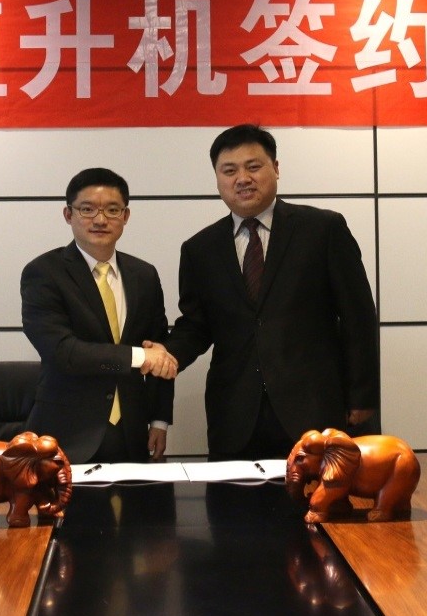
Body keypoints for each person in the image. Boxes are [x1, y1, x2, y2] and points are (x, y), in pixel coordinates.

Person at [161, 124, 379, 461]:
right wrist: (166, 353)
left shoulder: (323, 229)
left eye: (253, 166)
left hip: (314, 410)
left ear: (276, 168)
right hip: (235, 416)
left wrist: (362, 398)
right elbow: (197, 326)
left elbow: (358, 316)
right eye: (229, 171)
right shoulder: (199, 249)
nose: (242, 179)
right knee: (234, 497)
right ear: (217, 179)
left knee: (321, 496)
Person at [21, 168, 177, 464]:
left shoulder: (144, 275)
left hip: (132, 432)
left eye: (112, 210)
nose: (101, 219)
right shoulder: (44, 273)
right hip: (66, 433)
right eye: (87, 209)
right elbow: (63, 352)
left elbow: (158, 348)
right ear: (68, 214)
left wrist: (159, 420)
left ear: (126, 216)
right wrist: (138, 357)